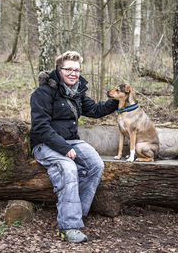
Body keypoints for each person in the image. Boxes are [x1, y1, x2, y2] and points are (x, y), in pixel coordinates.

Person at [30, 51, 119, 243]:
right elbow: (40, 127)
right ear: (59, 70)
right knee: (68, 168)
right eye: (68, 69)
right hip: (45, 144)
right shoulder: (43, 93)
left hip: (70, 141)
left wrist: (118, 100)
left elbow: (95, 110)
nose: (73, 73)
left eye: (77, 70)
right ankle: (68, 226)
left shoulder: (76, 92)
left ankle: (76, 211)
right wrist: (63, 148)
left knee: (96, 164)